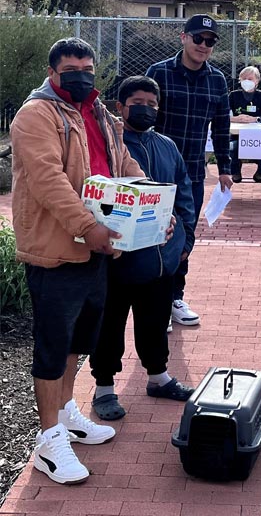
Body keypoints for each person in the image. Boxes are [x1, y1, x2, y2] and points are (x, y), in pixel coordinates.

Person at [10, 37, 146, 484]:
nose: (81, 76)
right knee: (52, 345)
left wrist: (150, 204)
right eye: (71, 69)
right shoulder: (36, 115)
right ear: (53, 73)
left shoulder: (101, 113)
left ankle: (67, 412)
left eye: (87, 68)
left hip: (96, 248)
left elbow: (122, 163)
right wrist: (89, 227)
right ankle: (48, 440)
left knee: (79, 338)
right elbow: (48, 180)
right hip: (56, 249)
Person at [89, 76, 196, 421]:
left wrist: (185, 241)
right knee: (110, 322)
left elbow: (184, 193)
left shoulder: (167, 146)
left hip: (161, 258)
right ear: (120, 106)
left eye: (152, 104)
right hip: (118, 259)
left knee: (155, 319)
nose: (146, 109)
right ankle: (104, 387)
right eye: (137, 103)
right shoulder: (109, 144)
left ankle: (158, 377)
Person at [146, 14, 233, 327]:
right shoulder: (158, 73)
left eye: (210, 42)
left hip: (193, 173)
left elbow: (222, 127)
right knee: (154, 235)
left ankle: (174, 297)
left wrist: (225, 167)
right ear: (183, 37)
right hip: (157, 173)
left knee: (184, 237)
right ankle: (156, 301)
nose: (204, 46)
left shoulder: (218, 80)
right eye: (198, 39)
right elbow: (145, 120)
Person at [229, 66, 261, 183]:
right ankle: (236, 171)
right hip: (237, 134)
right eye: (244, 78)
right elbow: (222, 115)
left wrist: (256, 119)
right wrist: (235, 119)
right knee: (233, 147)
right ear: (240, 80)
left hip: (257, 135)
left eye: (250, 79)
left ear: (257, 81)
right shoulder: (233, 95)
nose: (247, 81)